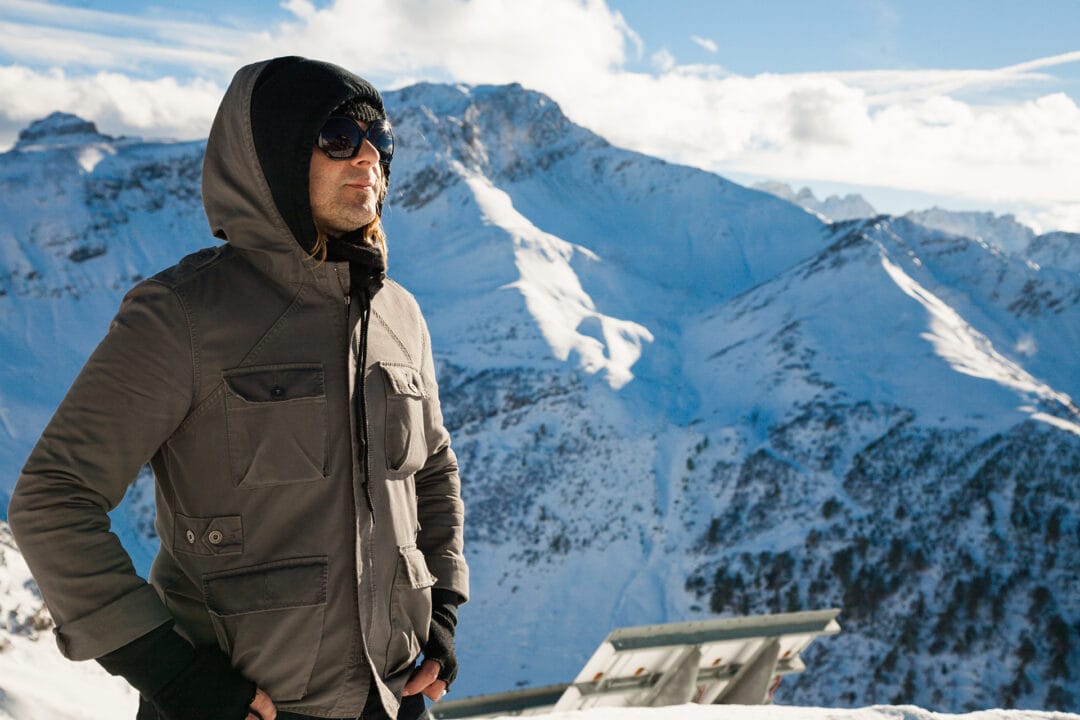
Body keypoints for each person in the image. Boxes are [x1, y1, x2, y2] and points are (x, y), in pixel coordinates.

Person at [8, 56, 468, 720]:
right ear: (272, 155)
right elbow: (52, 499)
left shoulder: (399, 314)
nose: (369, 155)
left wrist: (443, 610)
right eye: (339, 136)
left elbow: (432, 470)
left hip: (394, 701)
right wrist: (176, 678)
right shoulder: (184, 314)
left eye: (381, 139)